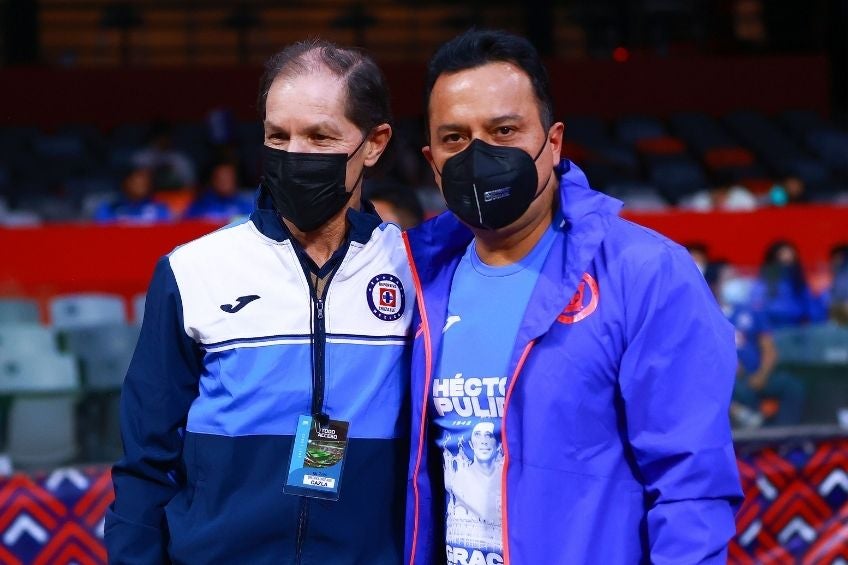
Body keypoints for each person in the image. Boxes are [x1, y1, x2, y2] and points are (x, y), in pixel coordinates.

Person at [403, 29, 743, 564]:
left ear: (553, 141)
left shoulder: (644, 272)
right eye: (455, 138)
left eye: (504, 129)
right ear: (431, 159)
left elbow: (691, 486)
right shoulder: (416, 282)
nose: (479, 153)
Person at [107, 39, 412, 564]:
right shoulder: (193, 270)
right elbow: (144, 460)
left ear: (375, 142)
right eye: (278, 136)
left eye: (320, 137)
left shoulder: (415, 270)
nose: (294, 155)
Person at [707, 261, 805, 427]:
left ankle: (783, 436)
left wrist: (762, 374)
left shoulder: (751, 311)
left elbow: (769, 348)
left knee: (792, 387)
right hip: (727, 380)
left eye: (735, 277)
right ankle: (748, 427)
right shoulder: (707, 315)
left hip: (758, 376)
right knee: (732, 392)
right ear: (714, 284)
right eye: (729, 279)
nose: (735, 282)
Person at [750, 240, 821, 328]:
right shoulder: (765, 281)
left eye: (790, 254)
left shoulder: (798, 280)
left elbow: (811, 305)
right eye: (782, 254)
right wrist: (764, 329)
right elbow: (757, 305)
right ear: (773, 257)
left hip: (797, 326)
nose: (787, 257)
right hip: (773, 326)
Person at [93, 166, 172, 223]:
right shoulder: (110, 208)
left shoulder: (159, 208)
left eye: (144, 183)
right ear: (125, 183)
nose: (140, 186)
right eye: (136, 183)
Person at [182, 159, 253, 221]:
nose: (224, 182)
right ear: (213, 180)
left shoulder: (245, 204)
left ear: (235, 180)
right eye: (220, 178)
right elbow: (187, 226)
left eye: (228, 178)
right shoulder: (201, 205)